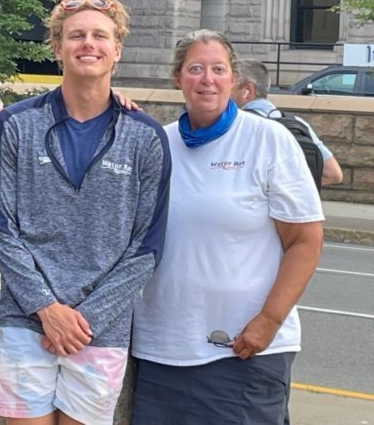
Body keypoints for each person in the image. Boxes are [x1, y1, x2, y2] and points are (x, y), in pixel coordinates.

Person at [0, 0, 171, 425]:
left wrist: (83, 320)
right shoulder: (15, 125)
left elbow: (148, 246)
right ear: (57, 48)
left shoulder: (145, 137)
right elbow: (0, 228)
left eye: (100, 36)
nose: (88, 44)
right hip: (27, 320)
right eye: (76, 36)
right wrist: (46, 309)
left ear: (117, 49)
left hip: (100, 330)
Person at [131, 30, 324, 425]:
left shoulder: (267, 140)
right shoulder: (158, 144)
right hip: (161, 349)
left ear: (234, 79)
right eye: (196, 69)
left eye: (218, 69)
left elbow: (305, 240)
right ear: (177, 78)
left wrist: (269, 321)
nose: (207, 79)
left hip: (241, 349)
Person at [234, 58, 343, 186]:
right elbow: (334, 174)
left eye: (228, 86)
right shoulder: (297, 123)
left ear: (248, 91)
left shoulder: (236, 124)